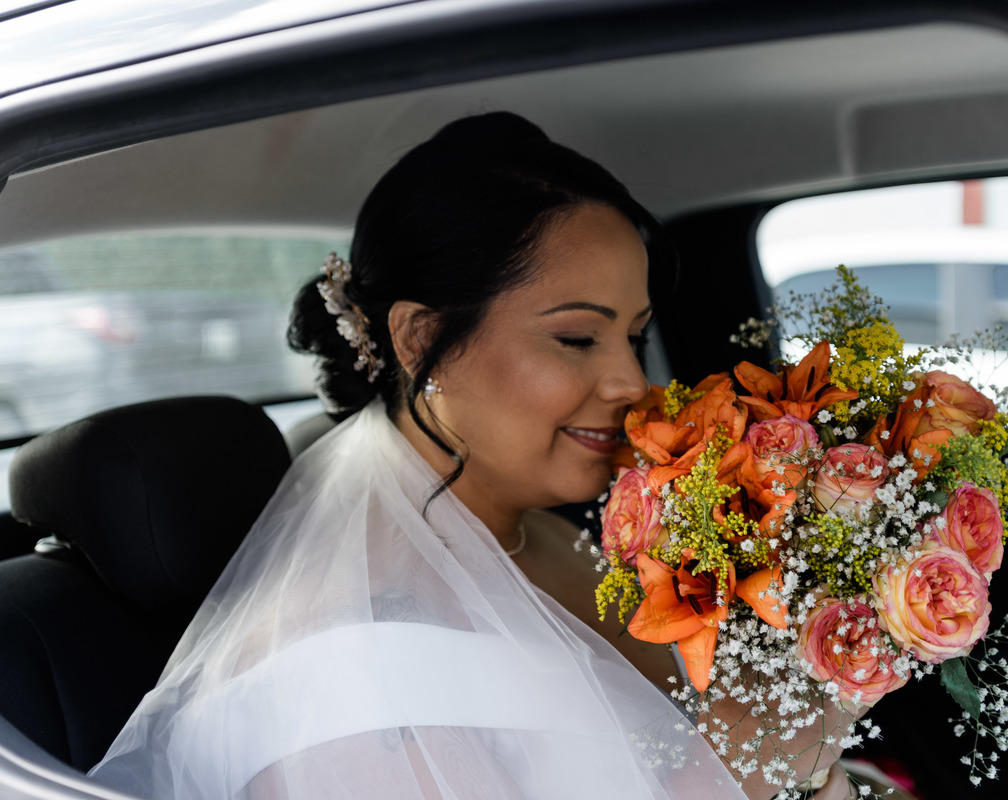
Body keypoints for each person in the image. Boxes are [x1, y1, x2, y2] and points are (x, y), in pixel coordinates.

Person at [88, 112, 852, 799]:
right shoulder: (350, 667)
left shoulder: (544, 531)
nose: (630, 381)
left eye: (635, 336)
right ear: (422, 339)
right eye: (576, 338)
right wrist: (743, 770)